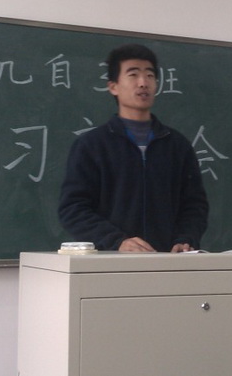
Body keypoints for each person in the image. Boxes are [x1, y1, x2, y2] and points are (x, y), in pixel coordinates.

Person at [58, 44, 208, 252]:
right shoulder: (92, 145)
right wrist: (117, 242)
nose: (143, 83)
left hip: (168, 262)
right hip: (110, 263)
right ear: (113, 87)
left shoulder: (177, 145)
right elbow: (73, 209)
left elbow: (195, 206)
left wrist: (186, 238)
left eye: (150, 75)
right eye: (133, 74)